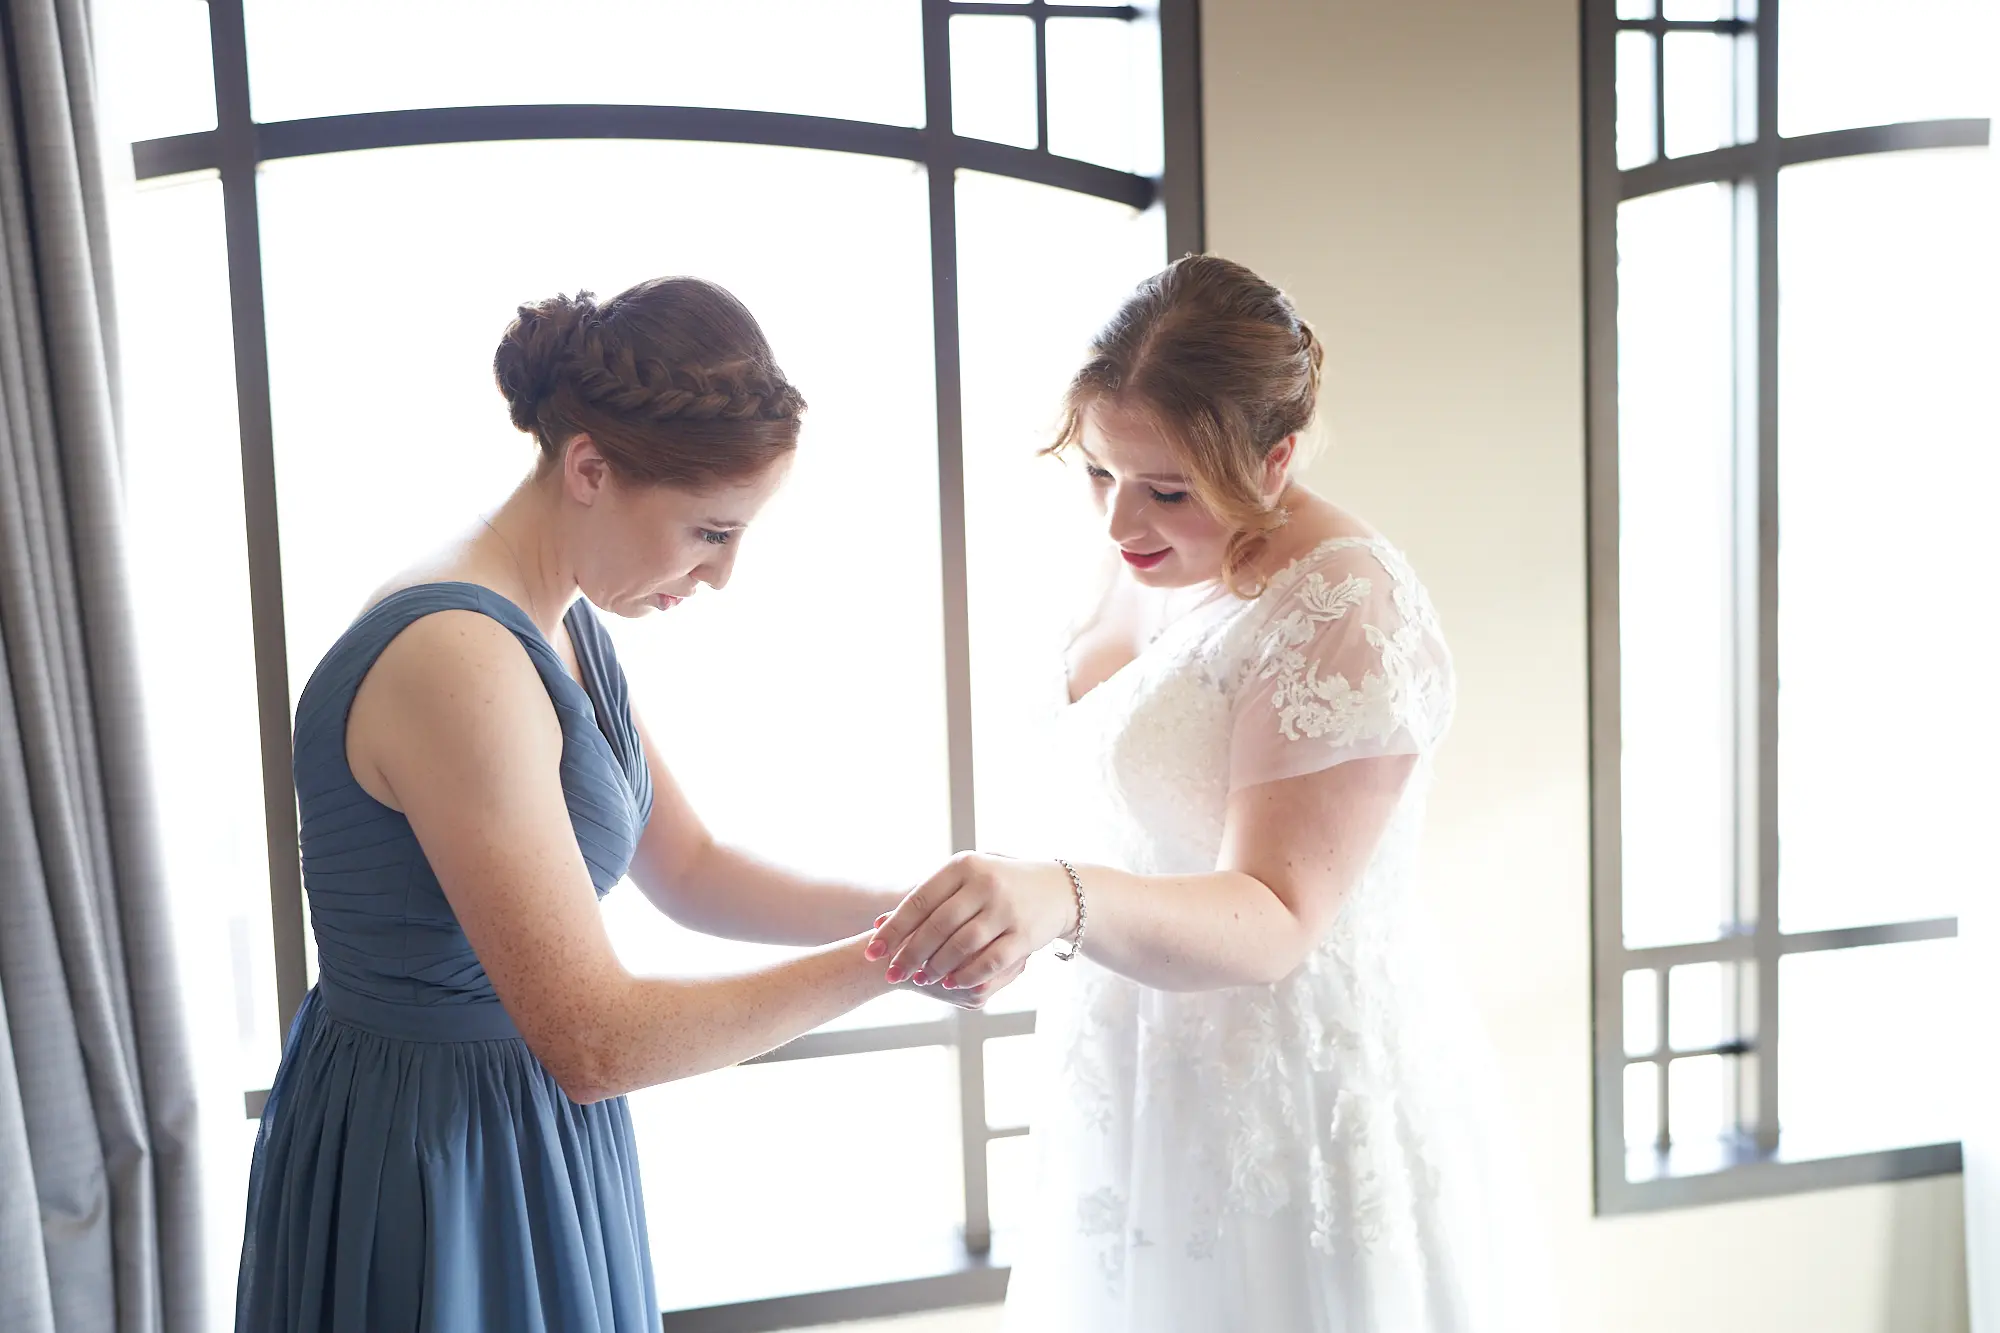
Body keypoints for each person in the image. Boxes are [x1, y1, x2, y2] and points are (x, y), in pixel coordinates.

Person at [235, 276, 1015, 1333]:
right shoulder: (456, 656)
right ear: (589, 467)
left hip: (528, 1121)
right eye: (709, 532)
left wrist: (925, 904)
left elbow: (691, 870)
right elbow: (596, 1041)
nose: (724, 574)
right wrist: (898, 960)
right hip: (433, 1145)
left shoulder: (557, 620)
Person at [870, 255, 1539, 1331]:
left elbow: (1274, 915)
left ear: (1273, 461)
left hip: (1282, 1109)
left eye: (1166, 487)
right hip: (1133, 1074)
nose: (1119, 518)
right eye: (1098, 473)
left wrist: (1055, 895)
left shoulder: (1341, 602)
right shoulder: (1152, 553)